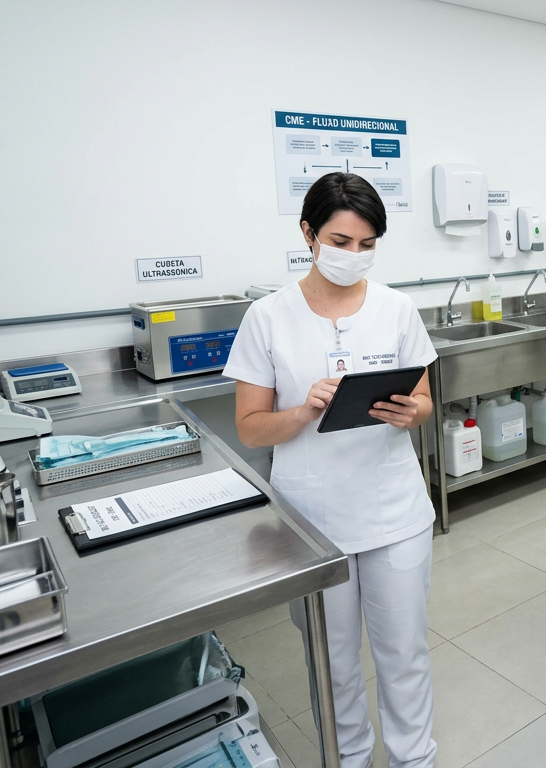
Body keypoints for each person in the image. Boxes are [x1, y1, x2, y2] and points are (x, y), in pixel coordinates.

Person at [224, 173, 438, 768]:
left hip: (395, 510)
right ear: (308, 234)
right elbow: (249, 426)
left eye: (367, 244)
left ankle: (414, 758)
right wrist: (303, 410)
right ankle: (349, 758)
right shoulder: (268, 318)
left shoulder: (397, 309)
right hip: (313, 521)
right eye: (341, 241)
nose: (354, 256)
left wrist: (407, 412)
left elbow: (422, 400)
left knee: (404, 653)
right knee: (333, 658)